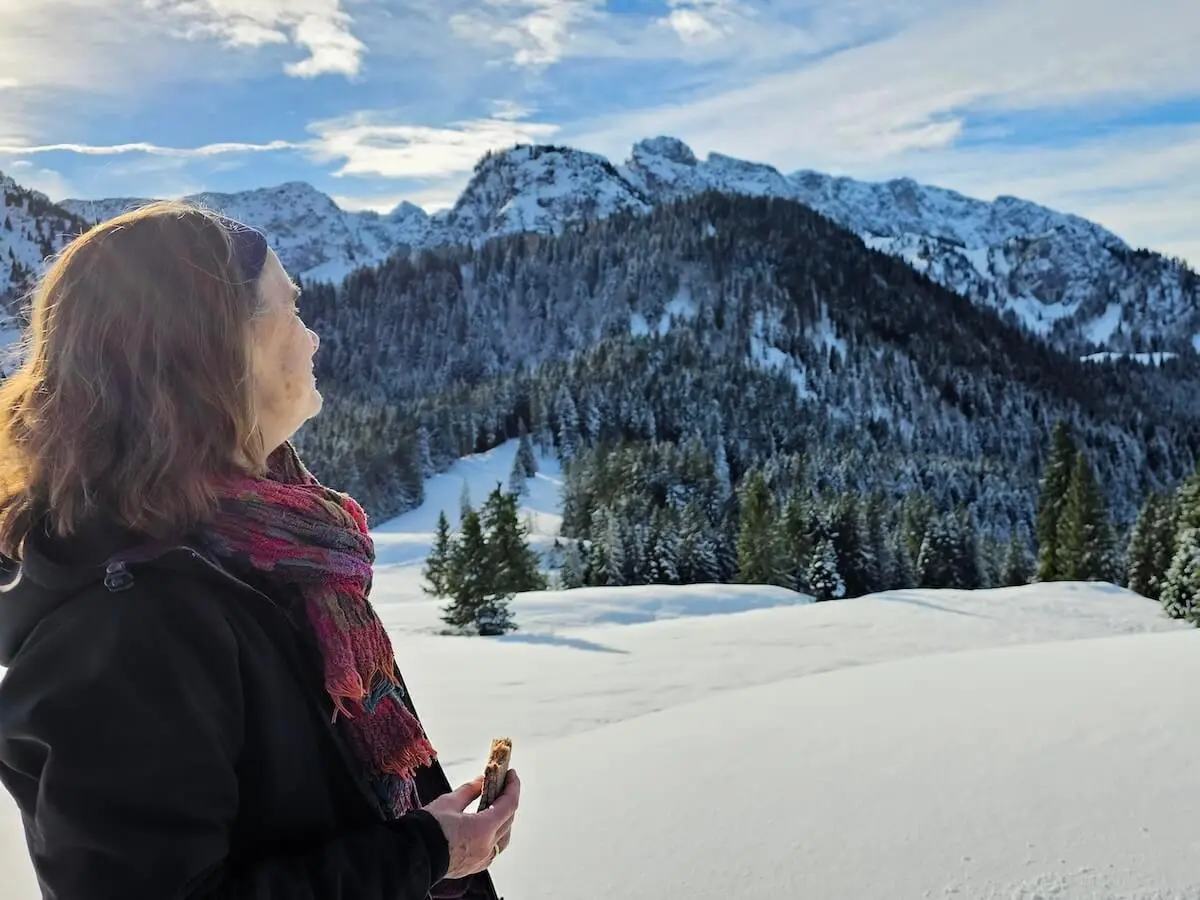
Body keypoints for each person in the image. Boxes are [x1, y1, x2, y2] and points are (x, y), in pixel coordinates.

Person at [0, 201, 520, 900]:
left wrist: (437, 850)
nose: (312, 340)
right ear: (214, 354)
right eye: (290, 310)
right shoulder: (123, 632)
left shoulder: (267, 557)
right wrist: (421, 855)